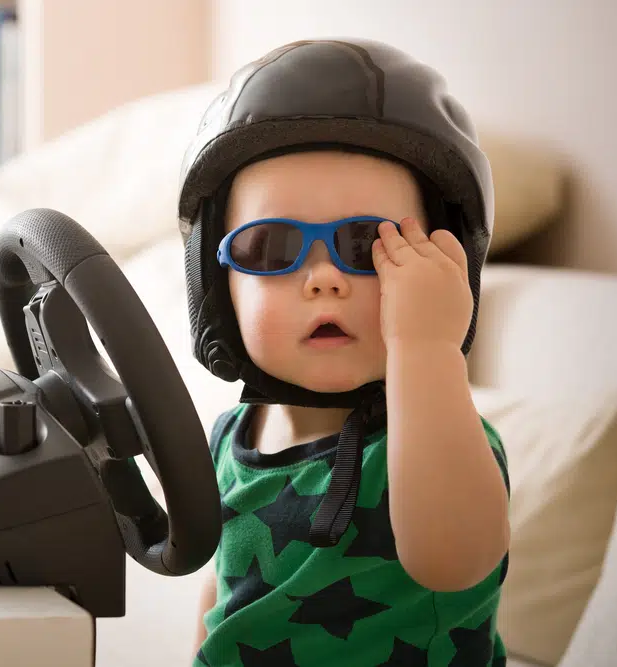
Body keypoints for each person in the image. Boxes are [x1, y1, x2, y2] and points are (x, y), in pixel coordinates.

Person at [177, 38, 511, 667]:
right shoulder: (229, 437)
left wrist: (426, 347)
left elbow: (454, 560)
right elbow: (222, 595)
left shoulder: (442, 439)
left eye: (366, 244)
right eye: (273, 246)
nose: (323, 277)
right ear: (215, 288)